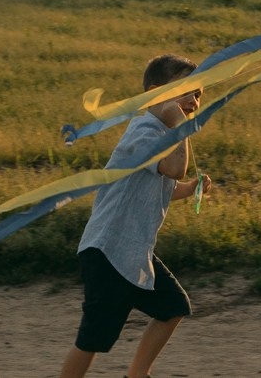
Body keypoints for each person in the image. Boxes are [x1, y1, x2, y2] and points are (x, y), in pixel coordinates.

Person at [60, 53, 213, 378]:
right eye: (185, 89)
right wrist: (181, 128)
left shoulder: (159, 134)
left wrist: (192, 187)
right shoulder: (143, 132)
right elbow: (172, 168)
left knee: (173, 307)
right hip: (108, 251)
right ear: (155, 93)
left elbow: (162, 186)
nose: (193, 98)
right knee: (93, 340)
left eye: (198, 92)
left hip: (132, 252)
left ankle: (137, 374)